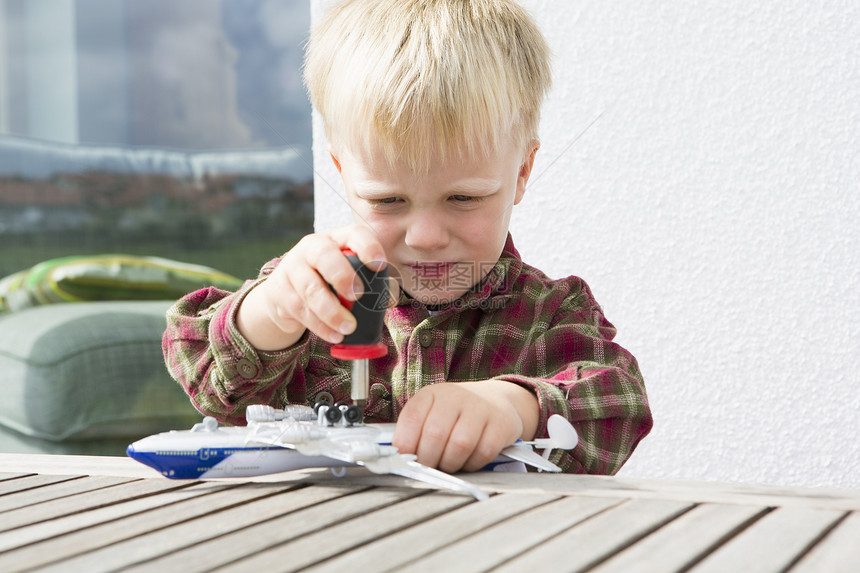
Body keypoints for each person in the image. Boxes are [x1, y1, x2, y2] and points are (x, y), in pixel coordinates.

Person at [163, 0, 652, 475]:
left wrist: (514, 406)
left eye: (463, 198)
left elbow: (620, 405)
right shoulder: (313, 297)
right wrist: (270, 312)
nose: (425, 236)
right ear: (343, 174)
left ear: (521, 172)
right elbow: (204, 376)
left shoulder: (551, 314)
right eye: (388, 201)